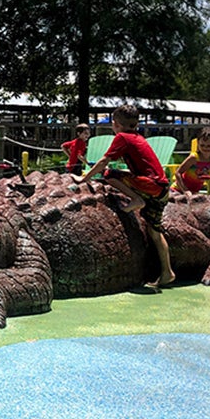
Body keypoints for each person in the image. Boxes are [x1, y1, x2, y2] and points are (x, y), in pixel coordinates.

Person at [74, 104, 175, 289]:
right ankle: (167, 272)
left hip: (150, 186)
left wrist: (84, 178)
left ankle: (137, 200)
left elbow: (104, 162)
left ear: (116, 124)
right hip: (162, 189)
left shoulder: (122, 137)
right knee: (154, 231)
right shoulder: (138, 137)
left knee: (109, 174)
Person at [172, 127, 210, 195]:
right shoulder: (194, 158)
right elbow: (178, 173)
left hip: (194, 192)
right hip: (177, 190)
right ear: (198, 144)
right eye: (202, 145)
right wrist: (185, 190)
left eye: (209, 146)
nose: (205, 148)